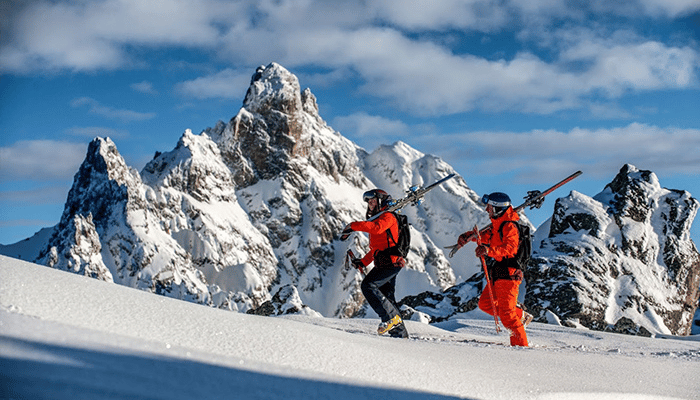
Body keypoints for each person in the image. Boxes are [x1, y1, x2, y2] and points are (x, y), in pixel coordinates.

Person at [456, 192, 532, 347]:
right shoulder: (497, 226)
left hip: (509, 273)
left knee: (507, 315)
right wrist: (469, 236)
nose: (486, 210)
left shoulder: (509, 226)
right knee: (485, 304)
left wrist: (488, 250)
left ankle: (521, 348)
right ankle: (520, 316)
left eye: (489, 207)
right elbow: (485, 237)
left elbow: (510, 248)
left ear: (497, 209)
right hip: (499, 273)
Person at [342, 189, 409, 339]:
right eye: (369, 202)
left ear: (381, 201)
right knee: (388, 298)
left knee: (368, 285)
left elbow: (377, 229)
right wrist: (363, 262)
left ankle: (391, 319)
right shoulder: (378, 218)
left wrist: (353, 226)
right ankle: (400, 334)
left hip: (391, 263)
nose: (370, 204)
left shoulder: (388, 216)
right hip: (383, 263)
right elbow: (376, 250)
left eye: (373, 201)